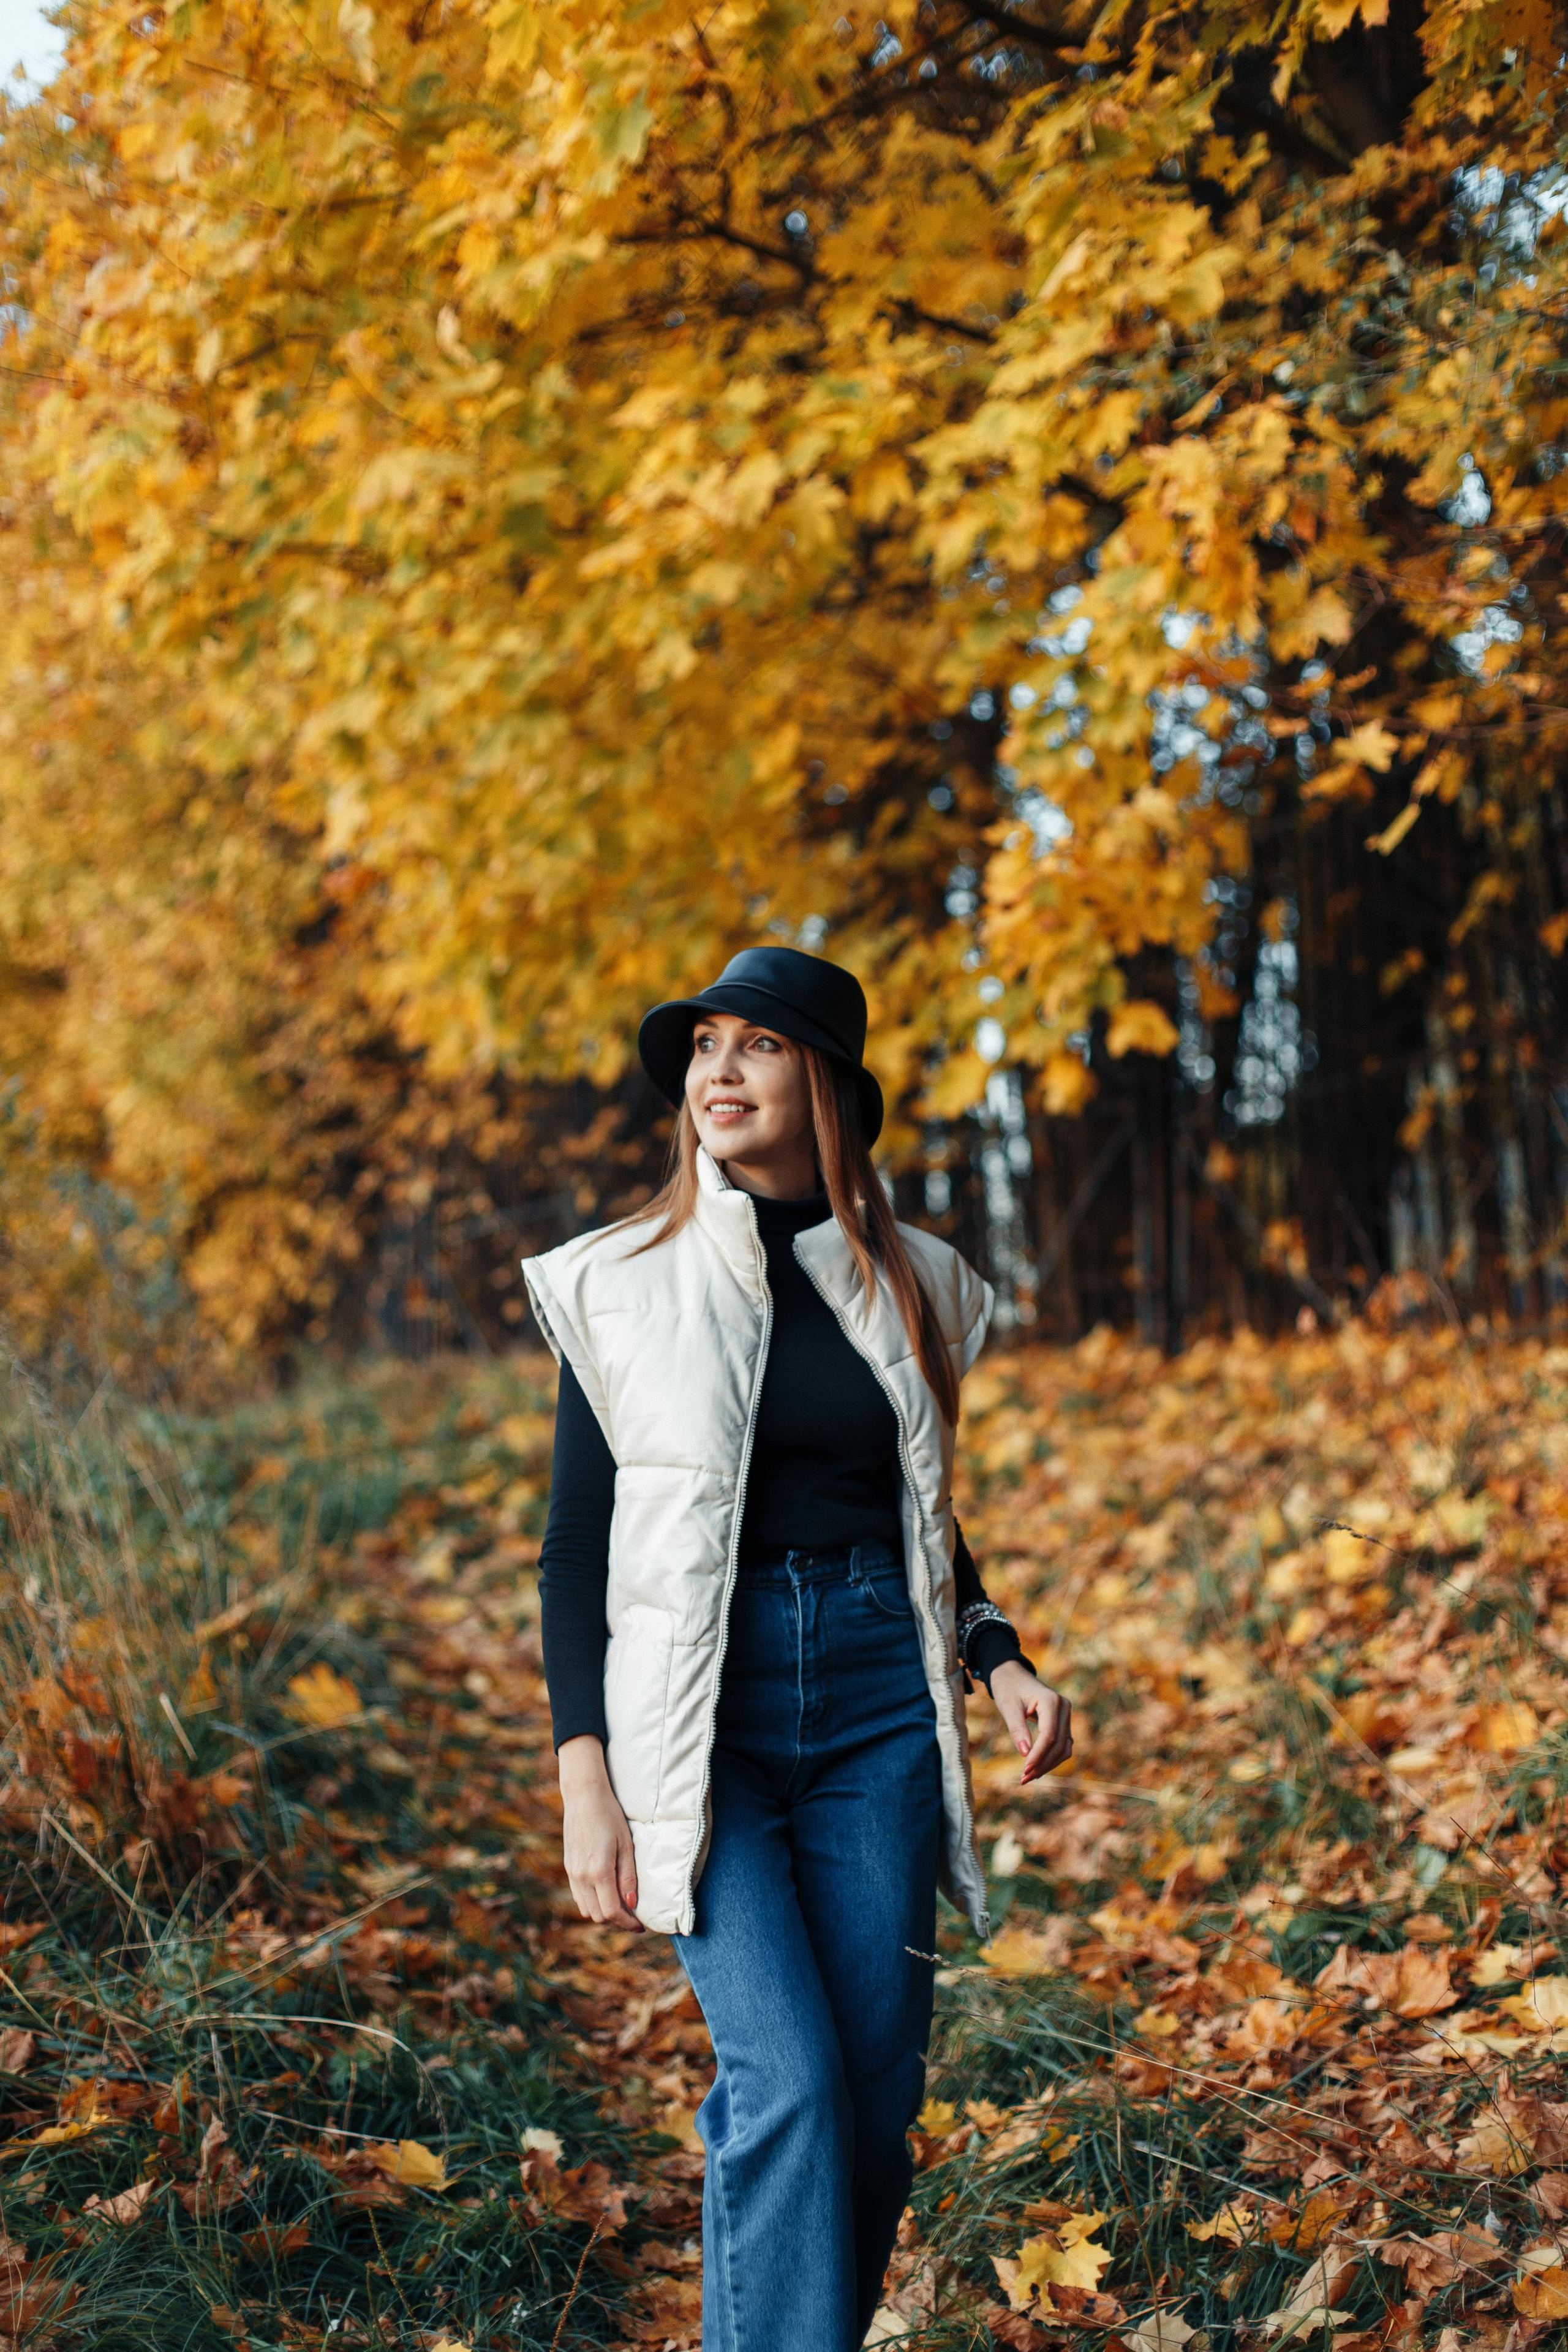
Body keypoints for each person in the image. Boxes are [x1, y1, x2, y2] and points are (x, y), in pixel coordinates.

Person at [522, 946, 1072, 2352]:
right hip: (702, 1717)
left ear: (823, 1082)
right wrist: (584, 1777)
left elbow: (922, 1524)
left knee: (874, 2098)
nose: (714, 1071)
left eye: (753, 1046)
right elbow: (573, 1548)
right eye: (701, 1046)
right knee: (788, 2082)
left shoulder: (917, 1284)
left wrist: (995, 1655)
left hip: (882, 1701)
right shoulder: (619, 1284)